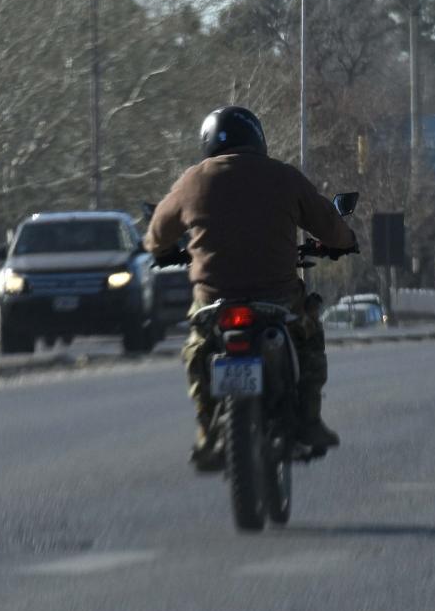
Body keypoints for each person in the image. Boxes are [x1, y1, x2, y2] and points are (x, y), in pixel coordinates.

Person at [145, 105, 358, 471]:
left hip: (213, 300)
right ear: (257, 138)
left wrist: (163, 251)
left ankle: (207, 429)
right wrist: (346, 241)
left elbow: (156, 235)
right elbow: (329, 225)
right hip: (278, 297)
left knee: (198, 350)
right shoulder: (283, 177)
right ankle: (309, 419)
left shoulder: (193, 181)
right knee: (309, 337)